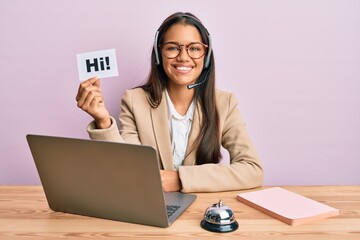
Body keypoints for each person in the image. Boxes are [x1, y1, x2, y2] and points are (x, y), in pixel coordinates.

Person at [76, 12, 263, 193]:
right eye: (173, 47)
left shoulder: (224, 103)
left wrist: (180, 179)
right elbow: (127, 169)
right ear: (159, 54)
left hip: (202, 211)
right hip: (152, 206)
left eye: (195, 48)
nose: (183, 57)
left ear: (206, 56)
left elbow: (252, 169)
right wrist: (103, 121)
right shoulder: (134, 100)